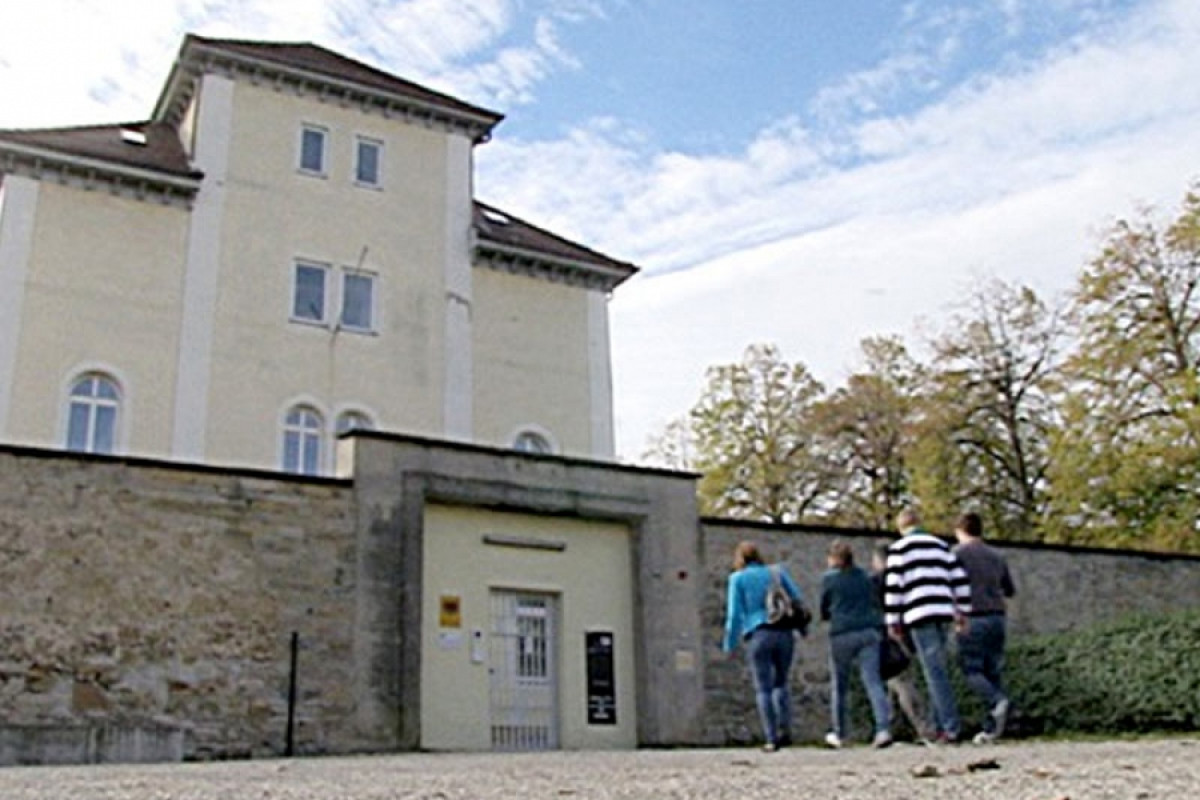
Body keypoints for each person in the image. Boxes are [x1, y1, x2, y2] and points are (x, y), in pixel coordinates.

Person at [884, 508, 972, 744]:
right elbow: (959, 579)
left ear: (901, 528)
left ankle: (949, 727)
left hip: (919, 612)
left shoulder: (899, 549)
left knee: (934, 672)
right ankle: (938, 727)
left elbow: (894, 587)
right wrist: (962, 612)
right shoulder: (941, 546)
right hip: (943, 610)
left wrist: (893, 620)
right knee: (938, 669)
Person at [722, 540, 805, 751]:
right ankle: (785, 731)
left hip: (758, 633)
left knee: (763, 688)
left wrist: (729, 643)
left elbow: (734, 615)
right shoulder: (777, 572)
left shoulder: (737, 579)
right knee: (781, 683)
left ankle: (771, 737)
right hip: (784, 632)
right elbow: (797, 598)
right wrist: (801, 628)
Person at [819, 540, 893, 748]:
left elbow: (824, 609)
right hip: (868, 632)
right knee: (873, 681)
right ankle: (883, 728)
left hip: (842, 633)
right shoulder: (866, 577)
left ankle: (840, 732)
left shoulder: (829, 579)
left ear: (834, 559)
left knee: (840, 685)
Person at [953, 512, 1016, 744]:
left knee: (971, 670)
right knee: (993, 670)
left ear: (960, 531)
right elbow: (1009, 589)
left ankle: (997, 701)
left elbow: (952, 587)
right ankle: (992, 729)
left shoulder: (956, 555)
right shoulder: (997, 556)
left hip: (972, 617)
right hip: (997, 616)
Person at [871, 543, 932, 742]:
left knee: (901, 684)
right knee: (897, 684)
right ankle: (895, 727)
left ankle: (922, 728)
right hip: (906, 632)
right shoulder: (904, 580)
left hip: (888, 635)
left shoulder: (876, 582)